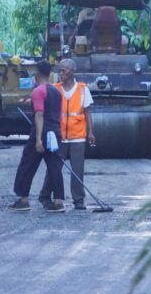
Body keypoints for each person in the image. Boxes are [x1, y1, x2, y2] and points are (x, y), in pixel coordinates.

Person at [38, 58, 95, 210]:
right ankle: (44, 195)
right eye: (59, 70)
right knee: (54, 168)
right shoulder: (54, 89)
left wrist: (91, 132)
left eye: (63, 70)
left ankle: (78, 200)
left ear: (71, 72)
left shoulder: (83, 89)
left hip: (77, 136)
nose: (60, 73)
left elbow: (88, 111)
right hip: (59, 136)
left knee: (78, 169)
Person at [9, 60, 65, 212]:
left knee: (27, 164)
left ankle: (23, 199)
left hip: (41, 133)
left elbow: (39, 115)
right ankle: (58, 201)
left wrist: (39, 139)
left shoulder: (38, 91)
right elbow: (58, 115)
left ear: (37, 72)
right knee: (55, 167)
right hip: (55, 132)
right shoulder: (56, 92)